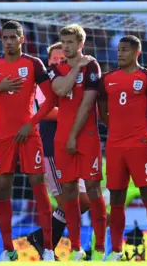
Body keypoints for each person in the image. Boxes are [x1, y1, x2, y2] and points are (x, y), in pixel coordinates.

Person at [0, 21, 55, 261]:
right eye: (5, 37)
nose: (9, 41)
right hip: (2, 138)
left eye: (14, 37)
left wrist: (31, 123)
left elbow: (50, 98)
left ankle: (48, 249)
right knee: (2, 191)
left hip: (29, 134)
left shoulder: (33, 64)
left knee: (39, 188)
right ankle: (8, 249)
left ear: (22, 39)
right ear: (1, 40)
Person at [42, 25, 107, 261]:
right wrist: (75, 68)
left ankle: (100, 247)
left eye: (70, 42)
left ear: (81, 44)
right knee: (69, 191)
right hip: (62, 139)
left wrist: (73, 135)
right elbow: (60, 89)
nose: (66, 46)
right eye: (63, 42)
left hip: (86, 138)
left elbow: (88, 103)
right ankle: (77, 247)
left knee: (92, 190)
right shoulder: (55, 69)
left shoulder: (92, 66)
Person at [97, 35, 147, 261]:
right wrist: (116, 128)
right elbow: (103, 111)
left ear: (137, 51)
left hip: (140, 145)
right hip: (115, 145)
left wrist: (144, 132)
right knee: (116, 197)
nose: (120, 53)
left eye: (125, 49)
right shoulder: (106, 79)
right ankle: (116, 250)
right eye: (118, 49)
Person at [26, 42, 92, 258]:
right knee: (71, 203)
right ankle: (71, 248)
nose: (57, 62)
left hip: (73, 149)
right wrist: (77, 110)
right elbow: (47, 113)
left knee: (83, 203)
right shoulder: (43, 83)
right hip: (51, 149)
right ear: (48, 62)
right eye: (54, 59)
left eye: (61, 58)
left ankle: (43, 240)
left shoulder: (75, 81)